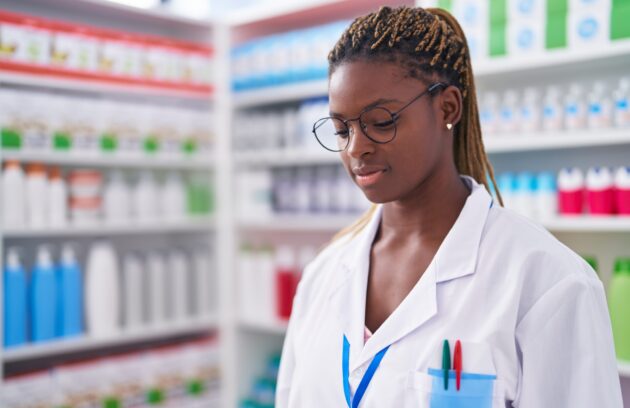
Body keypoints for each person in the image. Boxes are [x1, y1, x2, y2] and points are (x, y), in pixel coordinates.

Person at [276, 6, 622, 407]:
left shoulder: (548, 282)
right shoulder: (323, 275)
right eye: (341, 129)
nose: (356, 148)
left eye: (381, 121)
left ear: (448, 108)